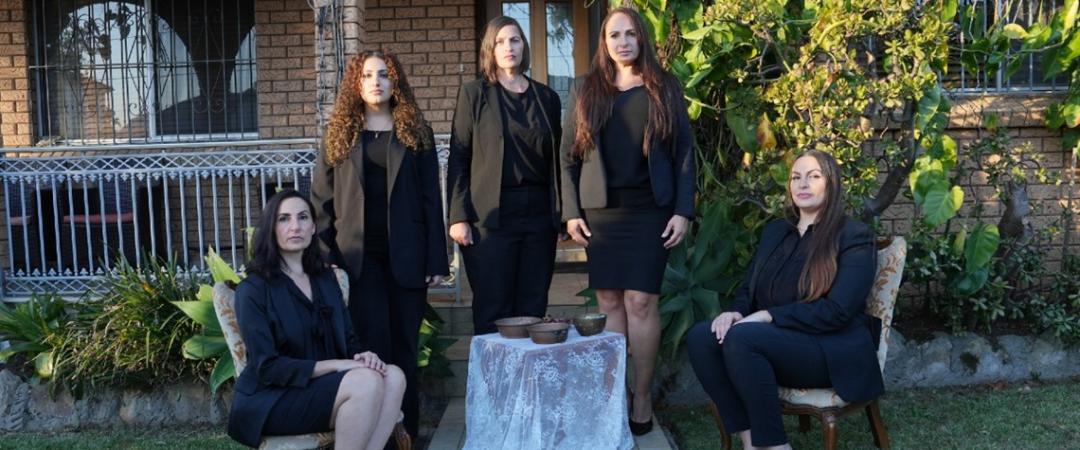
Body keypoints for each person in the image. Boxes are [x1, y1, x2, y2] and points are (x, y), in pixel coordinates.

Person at [686, 150, 881, 450]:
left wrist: (768, 316)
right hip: (777, 342)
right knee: (702, 336)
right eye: (796, 177)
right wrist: (735, 313)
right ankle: (751, 441)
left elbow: (838, 311)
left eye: (814, 176)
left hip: (828, 349)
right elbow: (749, 288)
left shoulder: (853, 235)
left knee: (744, 340)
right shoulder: (776, 232)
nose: (803, 183)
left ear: (832, 183)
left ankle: (776, 445)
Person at [559, 7, 695, 436]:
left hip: (650, 209)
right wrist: (570, 213)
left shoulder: (664, 87)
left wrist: (683, 210)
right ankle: (613, 393)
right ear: (604, 41)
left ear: (642, 40)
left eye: (630, 34)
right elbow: (568, 158)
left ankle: (641, 394)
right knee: (609, 304)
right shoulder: (585, 88)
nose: (622, 42)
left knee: (641, 301)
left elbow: (684, 154)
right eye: (614, 34)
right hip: (602, 212)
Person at [311, 50, 450, 437]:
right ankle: (376, 437)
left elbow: (430, 200)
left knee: (404, 351)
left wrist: (437, 260)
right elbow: (321, 202)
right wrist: (327, 258)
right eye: (369, 75)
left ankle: (408, 436)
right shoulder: (340, 135)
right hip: (358, 262)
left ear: (396, 83)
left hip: (407, 259)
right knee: (371, 352)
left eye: (385, 75)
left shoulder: (415, 132)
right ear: (357, 83)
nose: (377, 81)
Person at [228, 189, 405, 449]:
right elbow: (267, 367)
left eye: (302, 217)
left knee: (394, 376)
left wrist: (363, 357)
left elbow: (349, 341)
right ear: (270, 228)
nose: (295, 226)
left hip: (321, 390)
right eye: (284, 219)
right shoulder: (254, 289)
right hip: (272, 399)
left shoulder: (326, 279)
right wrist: (337, 366)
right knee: (365, 382)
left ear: (313, 227)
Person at [447, 16, 563, 334]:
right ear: (490, 49)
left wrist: (563, 214)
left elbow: (557, 161)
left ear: (524, 46)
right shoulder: (474, 94)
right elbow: (459, 156)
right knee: (492, 308)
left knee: (533, 307)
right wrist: (457, 216)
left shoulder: (547, 98)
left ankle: (527, 384)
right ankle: (493, 385)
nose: (508, 47)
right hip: (491, 217)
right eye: (500, 41)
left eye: (514, 40)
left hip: (539, 215)